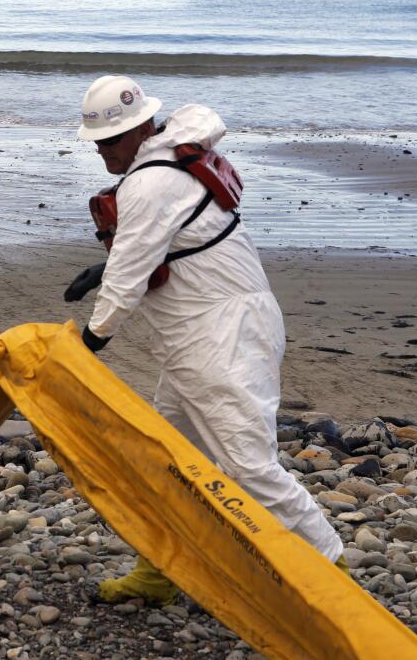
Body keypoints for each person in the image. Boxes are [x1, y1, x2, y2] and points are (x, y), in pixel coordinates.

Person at [64, 75, 345, 606]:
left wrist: (90, 342)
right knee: (169, 458)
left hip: (222, 340)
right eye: (97, 142)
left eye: (109, 141)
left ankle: (337, 579)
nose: (102, 152)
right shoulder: (169, 162)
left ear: (141, 128)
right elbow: (167, 246)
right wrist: (107, 268)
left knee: (248, 468)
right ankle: (160, 570)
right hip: (208, 335)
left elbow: (129, 276)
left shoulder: (149, 182)